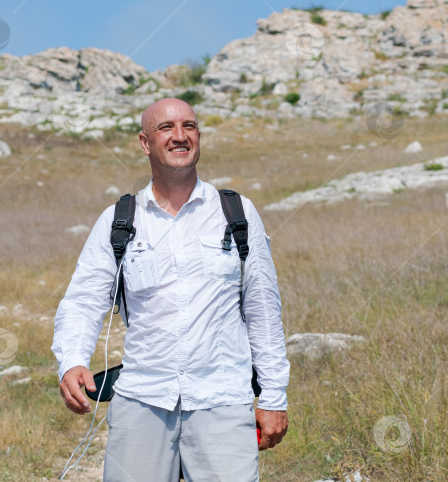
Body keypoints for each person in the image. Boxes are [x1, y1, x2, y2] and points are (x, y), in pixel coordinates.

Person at [52, 98, 290, 481]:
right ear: (145, 143)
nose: (180, 136)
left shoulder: (237, 213)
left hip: (223, 400)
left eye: (189, 126)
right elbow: (83, 300)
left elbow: (263, 309)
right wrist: (72, 359)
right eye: (166, 128)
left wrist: (274, 396)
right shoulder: (119, 221)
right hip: (142, 398)